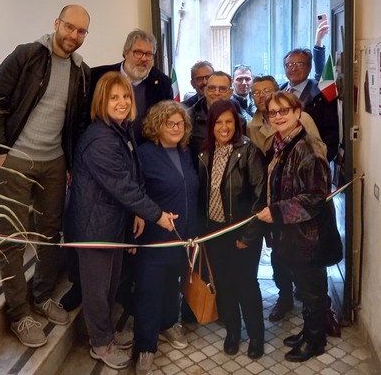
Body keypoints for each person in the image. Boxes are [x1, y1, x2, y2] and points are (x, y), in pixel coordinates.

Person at [0, 4, 91, 348]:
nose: (74, 36)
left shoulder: (81, 72)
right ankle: (18, 312)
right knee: (11, 238)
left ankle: (42, 295)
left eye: (81, 32)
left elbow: (74, 124)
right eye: (69, 27)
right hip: (15, 160)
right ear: (56, 23)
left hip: (54, 163)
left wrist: (71, 164)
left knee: (49, 232)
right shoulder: (27, 56)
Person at [65, 72, 178, 371]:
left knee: (110, 285)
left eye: (126, 96)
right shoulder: (100, 139)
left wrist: (138, 212)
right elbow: (121, 184)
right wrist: (156, 214)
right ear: (102, 101)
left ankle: (106, 334)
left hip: (111, 222)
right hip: (94, 228)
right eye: (114, 97)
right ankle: (100, 343)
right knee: (97, 290)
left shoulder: (120, 130)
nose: (122, 102)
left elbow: (133, 175)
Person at [257, 91, 341, 362]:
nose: (278, 116)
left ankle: (315, 341)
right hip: (293, 234)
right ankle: (309, 332)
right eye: (273, 112)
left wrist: (277, 212)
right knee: (306, 289)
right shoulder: (283, 142)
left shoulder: (308, 146)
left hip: (309, 235)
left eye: (285, 111)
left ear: (297, 112)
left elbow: (316, 197)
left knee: (313, 292)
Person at [133, 101, 198, 375]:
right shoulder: (144, 154)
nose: (175, 128)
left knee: (173, 285)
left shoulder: (186, 153)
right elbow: (135, 191)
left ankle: (168, 324)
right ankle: (145, 347)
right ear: (156, 126)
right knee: (150, 291)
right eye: (169, 123)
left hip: (184, 236)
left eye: (179, 124)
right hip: (155, 236)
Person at [198, 100, 266, 360]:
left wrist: (247, 236)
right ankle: (233, 332)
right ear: (211, 126)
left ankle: (257, 336)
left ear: (237, 123)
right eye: (218, 122)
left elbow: (261, 197)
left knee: (246, 283)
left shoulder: (249, 151)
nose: (224, 127)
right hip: (215, 233)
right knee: (225, 285)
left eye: (229, 121)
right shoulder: (205, 153)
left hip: (241, 231)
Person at [90, 29, 173, 145]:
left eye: (149, 54)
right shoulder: (97, 77)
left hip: (146, 152)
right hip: (107, 148)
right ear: (125, 53)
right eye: (138, 52)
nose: (144, 59)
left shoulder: (163, 84)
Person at [280, 48, 339, 161]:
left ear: (309, 67)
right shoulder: (278, 92)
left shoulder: (321, 93)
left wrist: (320, 159)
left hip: (311, 158)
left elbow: (332, 133)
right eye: (289, 64)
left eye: (300, 64)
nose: (294, 68)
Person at [247, 75, 322, 156]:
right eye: (256, 93)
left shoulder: (301, 117)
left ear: (277, 92)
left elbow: (320, 151)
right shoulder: (250, 127)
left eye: (267, 90)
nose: (261, 95)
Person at [188, 71, 245, 167]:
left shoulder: (240, 121)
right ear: (205, 91)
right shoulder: (189, 118)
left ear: (230, 93)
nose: (216, 93)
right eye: (211, 88)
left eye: (222, 89)